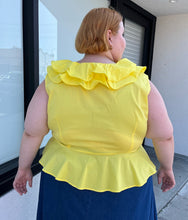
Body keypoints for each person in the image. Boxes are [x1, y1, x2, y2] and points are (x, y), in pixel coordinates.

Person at [13, 8, 175, 220]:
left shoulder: (55, 80)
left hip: (64, 182)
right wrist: (167, 167)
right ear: (109, 36)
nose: (124, 42)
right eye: (122, 35)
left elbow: (32, 132)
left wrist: (23, 168)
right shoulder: (140, 84)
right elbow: (164, 135)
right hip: (125, 186)